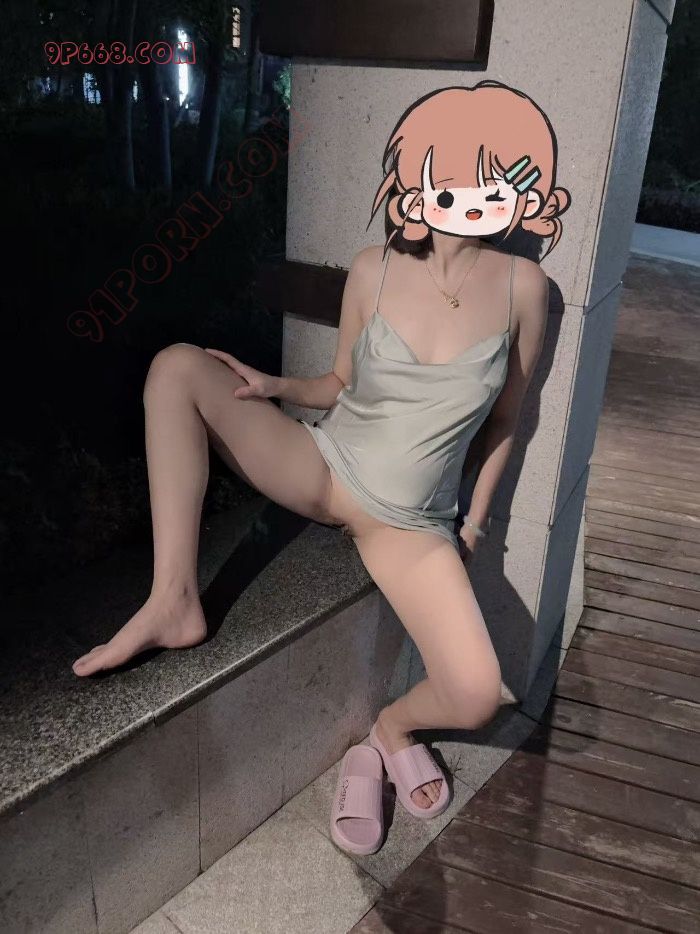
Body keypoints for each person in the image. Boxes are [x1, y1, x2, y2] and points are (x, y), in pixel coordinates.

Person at [72, 82, 569, 812]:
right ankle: (173, 599)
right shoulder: (375, 268)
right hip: (327, 467)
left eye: (492, 183)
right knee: (176, 366)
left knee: (474, 696)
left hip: (411, 528)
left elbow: (505, 422)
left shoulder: (526, 287)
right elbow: (341, 382)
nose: (470, 199)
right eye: (452, 180)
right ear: (416, 184)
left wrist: (473, 524)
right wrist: (273, 385)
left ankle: (390, 730)